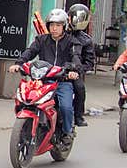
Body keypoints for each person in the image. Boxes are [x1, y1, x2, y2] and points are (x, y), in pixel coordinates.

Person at [7, 8, 82, 145]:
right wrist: (19, 64)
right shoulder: (41, 40)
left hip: (62, 81)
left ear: (64, 26)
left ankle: (67, 131)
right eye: (52, 25)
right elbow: (30, 52)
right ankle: (27, 126)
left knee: (65, 107)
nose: (54, 28)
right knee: (25, 100)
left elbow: (75, 58)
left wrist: (73, 70)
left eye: (58, 25)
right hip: (42, 81)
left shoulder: (71, 42)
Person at [67, 3, 95, 127]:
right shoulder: (61, 34)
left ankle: (78, 116)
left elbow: (89, 62)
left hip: (74, 72)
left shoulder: (86, 40)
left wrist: (79, 69)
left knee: (80, 89)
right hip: (56, 69)